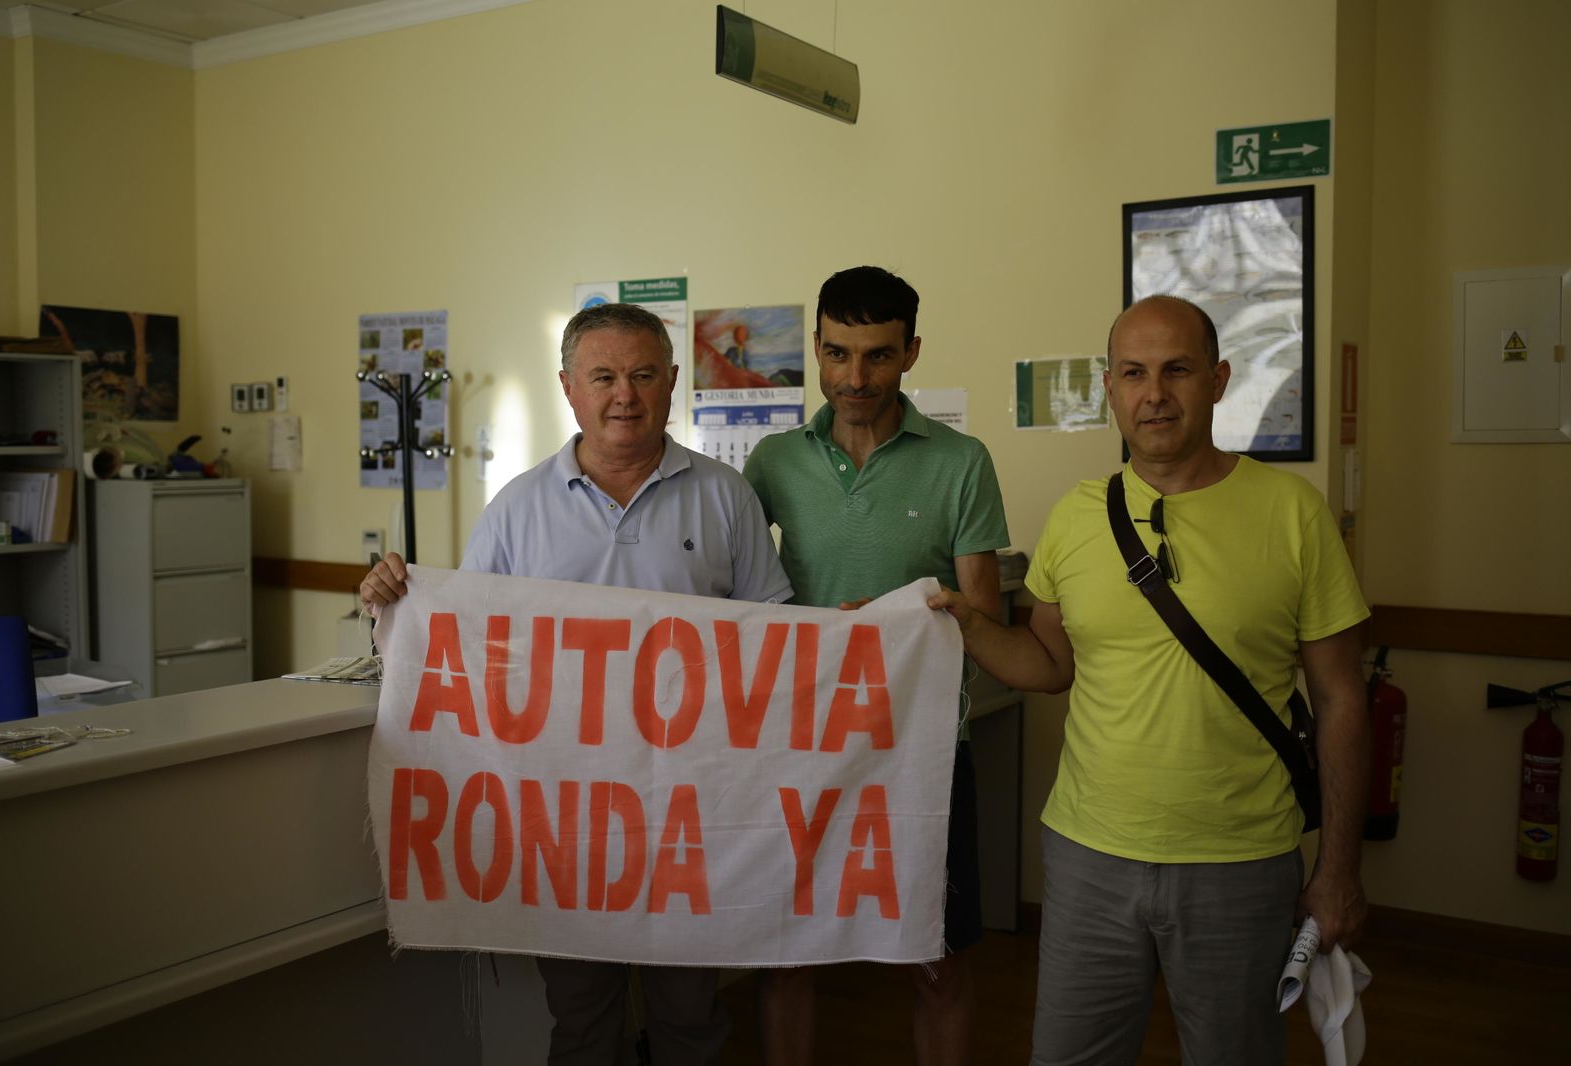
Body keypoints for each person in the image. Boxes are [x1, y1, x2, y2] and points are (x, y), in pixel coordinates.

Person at [930, 294, 1370, 1065]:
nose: (1154, 393)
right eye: (1133, 373)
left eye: (1177, 370)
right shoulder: (1074, 517)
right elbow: (1050, 666)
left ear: (1219, 379)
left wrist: (1337, 871)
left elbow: (1341, 697)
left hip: (1240, 862)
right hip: (1087, 856)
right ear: (1109, 387)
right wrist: (965, 624)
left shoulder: (1293, 513)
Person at [360, 302, 793, 1066]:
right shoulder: (515, 511)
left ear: (671, 382)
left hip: (690, 819)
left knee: (692, 1017)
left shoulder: (726, 498)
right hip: (565, 823)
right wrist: (394, 608)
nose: (623, 394)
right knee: (583, 1022)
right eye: (603, 377)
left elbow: (777, 644)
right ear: (568, 387)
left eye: (641, 375)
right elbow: (467, 651)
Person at [743, 266, 1009, 1066]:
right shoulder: (772, 463)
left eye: (878, 357)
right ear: (817, 350)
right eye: (837, 353)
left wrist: (905, 622)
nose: (854, 379)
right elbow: (739, 604)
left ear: (912, 353)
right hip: (801, 745)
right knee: (787, 958)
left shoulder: (961, 461)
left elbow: (986, 618)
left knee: (937, 962)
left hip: (922, 750)